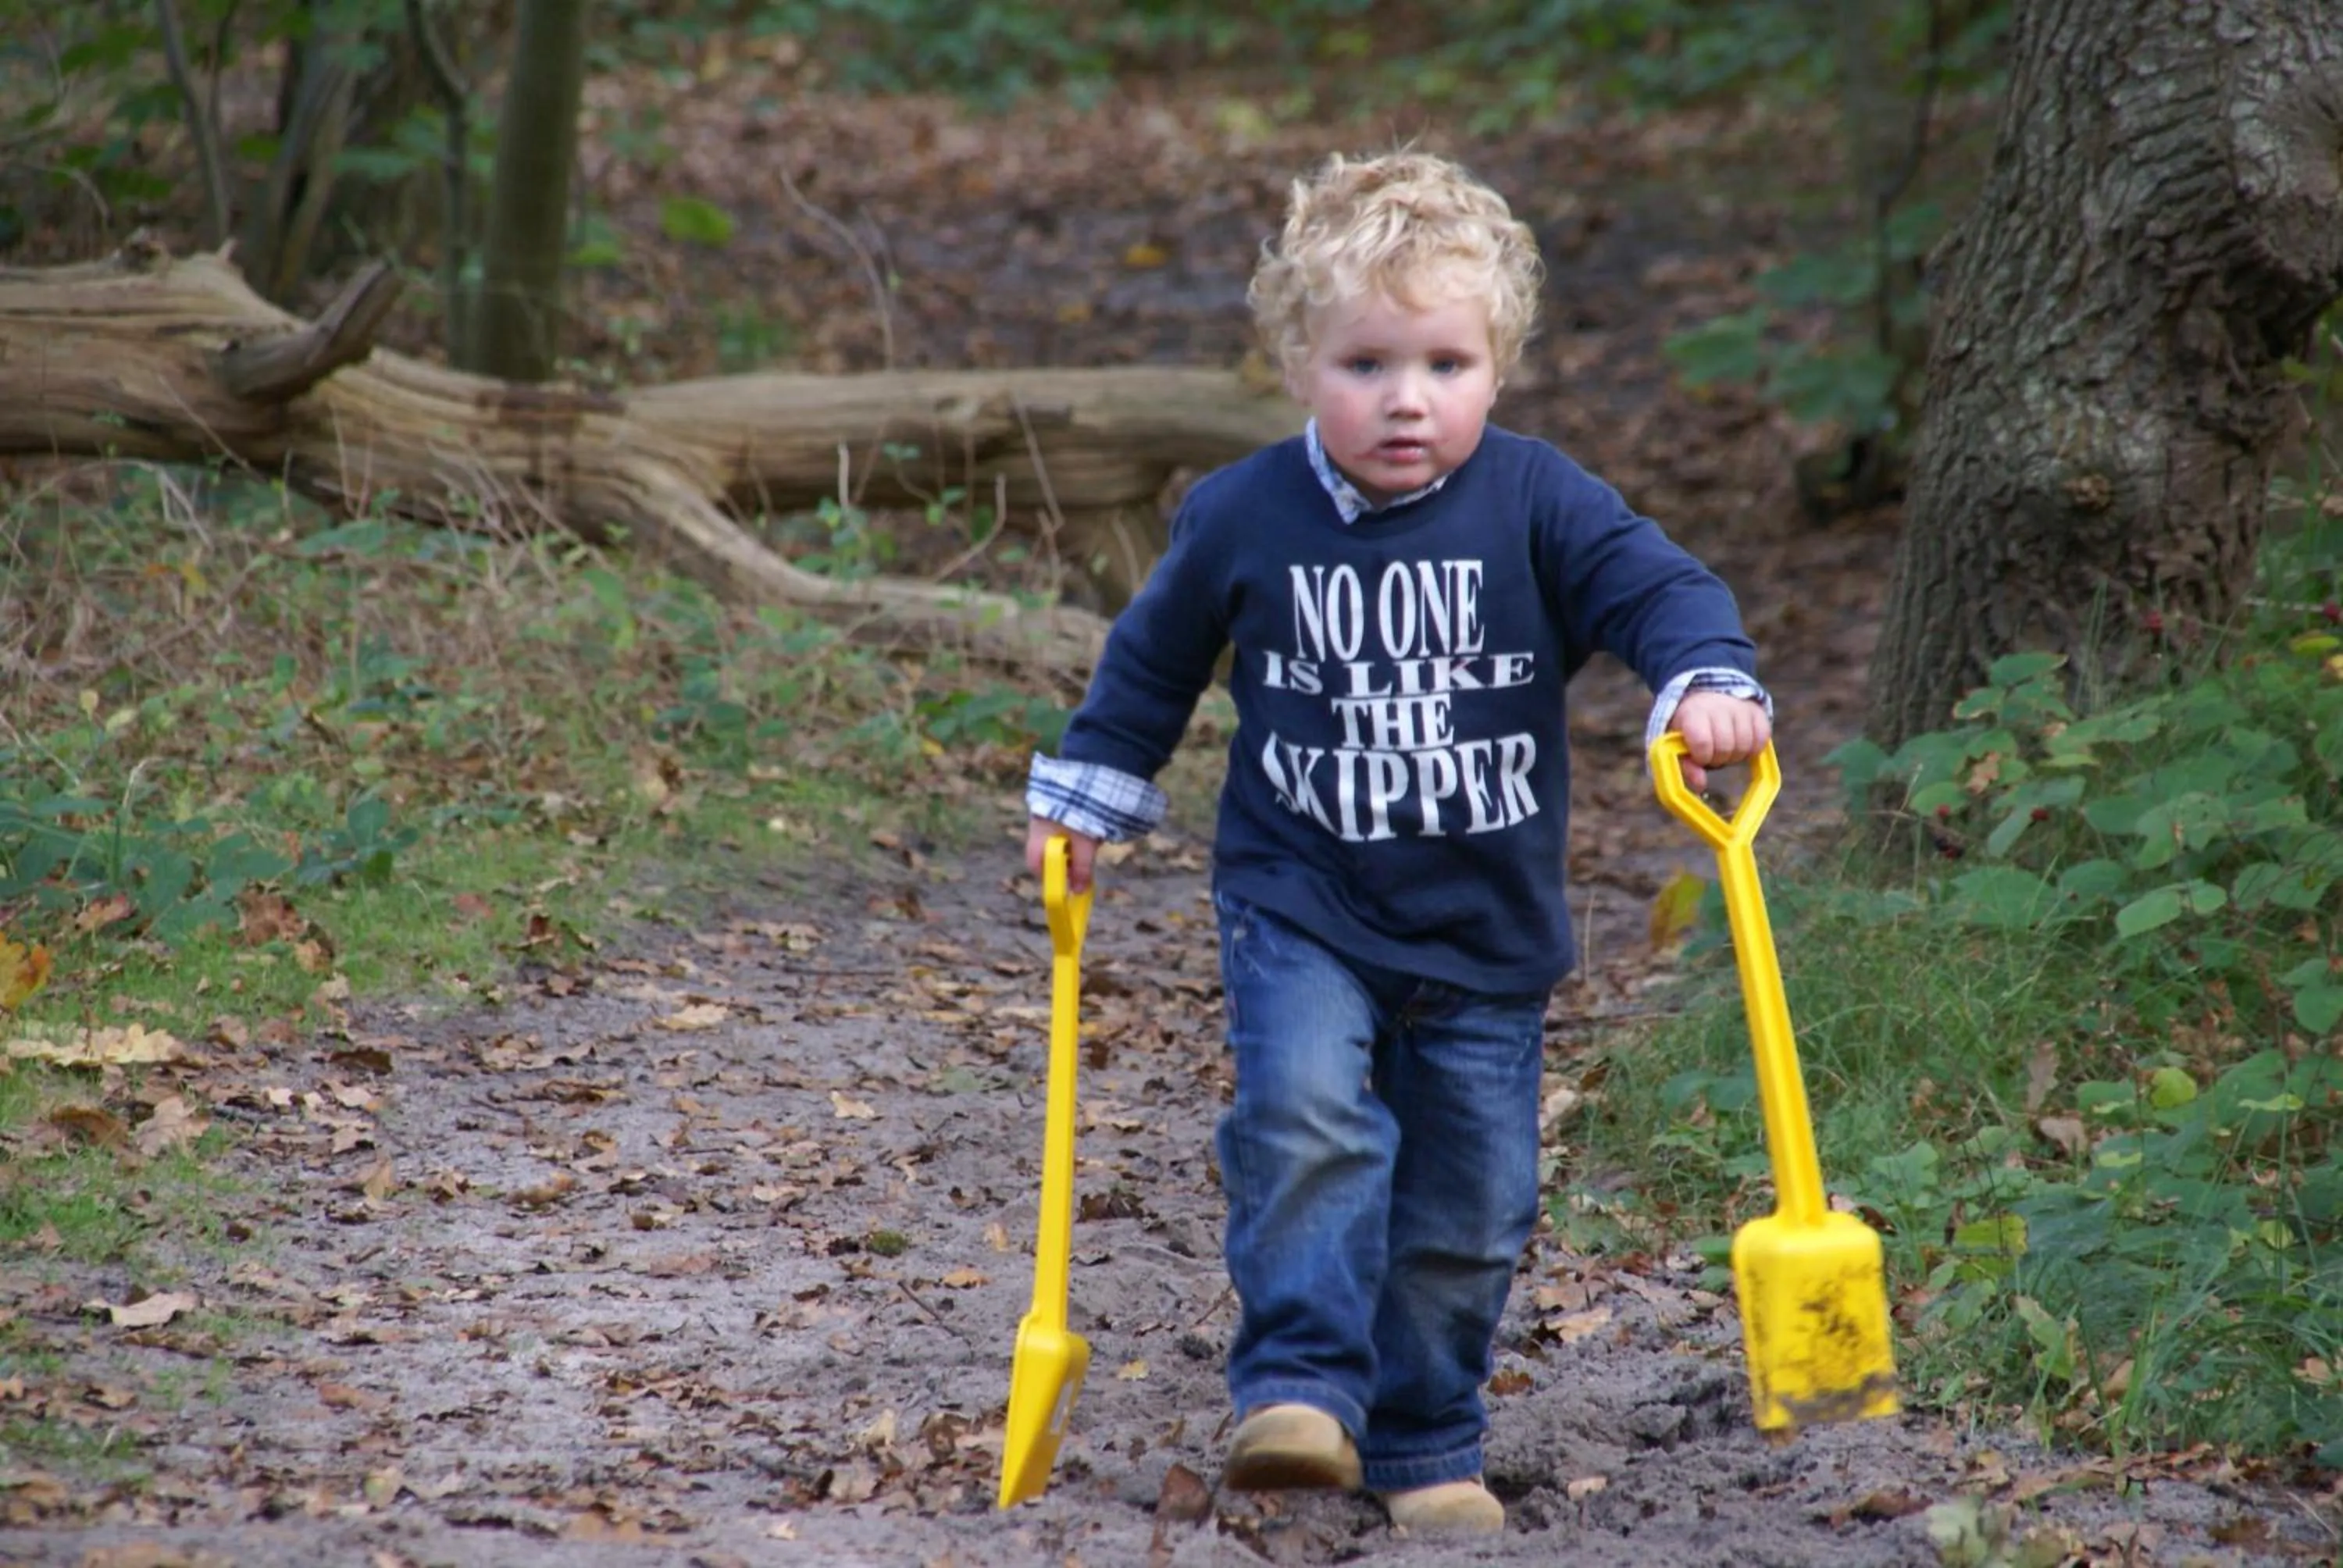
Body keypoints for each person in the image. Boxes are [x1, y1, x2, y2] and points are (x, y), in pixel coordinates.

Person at [1022, 148, 1771, 1535]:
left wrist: (1706, 681)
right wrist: (1086, 798)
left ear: (1499, 366)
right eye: (1368, 363)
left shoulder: (1538, 502)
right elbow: (1149, 667)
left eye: (1446, 363)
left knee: (1469, 1208)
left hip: (1484, 932)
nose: (1408, 400)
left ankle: (1429, 1436)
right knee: (1307, 1121)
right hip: (1302, 896)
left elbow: (1656, 588)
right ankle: (1299, 1390)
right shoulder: (1244, 512)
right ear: (1301, 359)